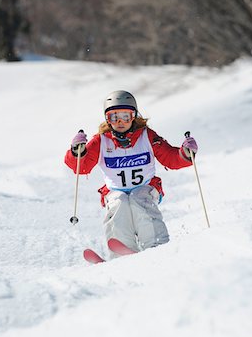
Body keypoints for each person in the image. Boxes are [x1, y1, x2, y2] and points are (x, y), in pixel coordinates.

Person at [65, 90, 198, 254]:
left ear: (134, 116)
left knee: (139, 199)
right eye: (114, 117)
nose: (120, 121)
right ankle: (123, 247)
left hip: (146, 186)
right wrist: (77, 152)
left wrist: (185, 153)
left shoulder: (146, 136)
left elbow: (170, 158)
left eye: (125, 116)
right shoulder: (101, 141)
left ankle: (156, 244)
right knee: (119, 203)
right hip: (114, 190)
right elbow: (81, 167)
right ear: (107, 119)